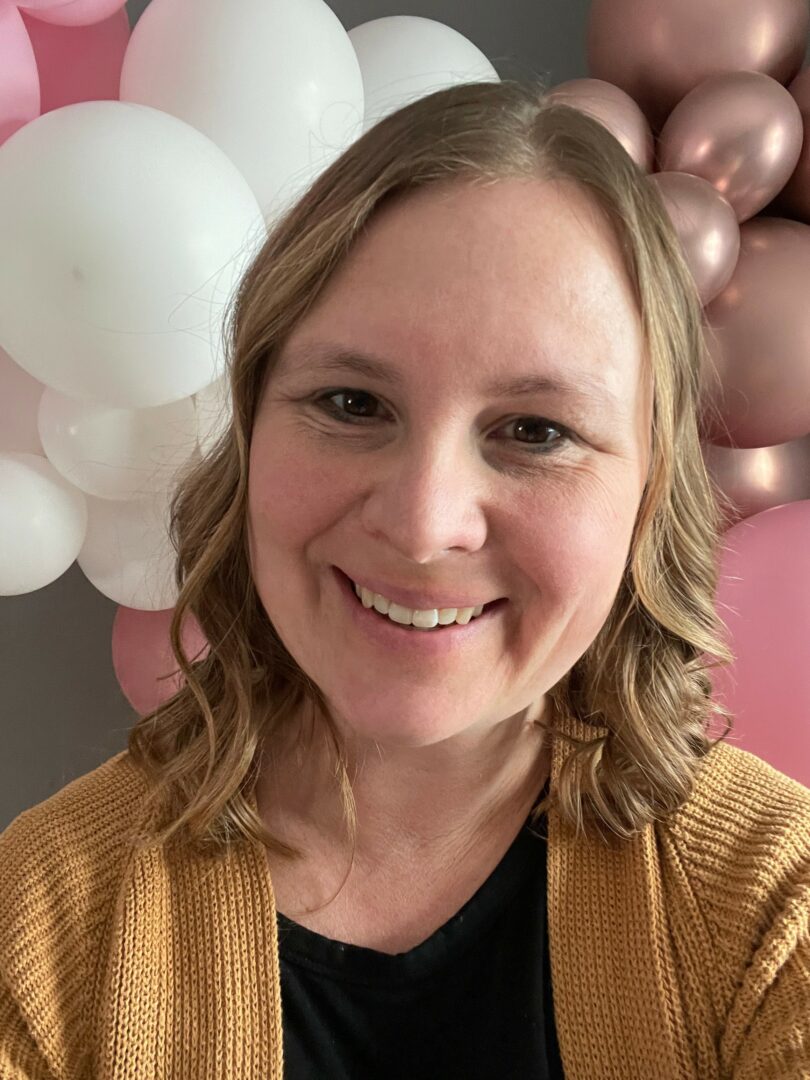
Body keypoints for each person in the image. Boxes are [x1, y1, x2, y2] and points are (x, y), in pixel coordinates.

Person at [1, 79, 808, 1080]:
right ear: (250, 440)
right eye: (351, 403)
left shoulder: (776, 906)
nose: (424, 526)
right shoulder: (46, 923)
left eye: (535, 431)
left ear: (650, 489)